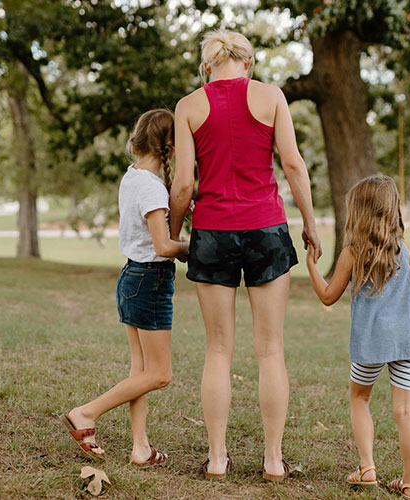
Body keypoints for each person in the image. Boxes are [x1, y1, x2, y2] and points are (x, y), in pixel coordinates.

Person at [169, 29, 322, 482]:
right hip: (266, 230)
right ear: (248, 64)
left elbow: (182, 185)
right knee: (270, 350)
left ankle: (217, 459)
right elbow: (293, 164)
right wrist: (310, 223)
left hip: (213, 232)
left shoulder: (188, 106)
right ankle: (273, 460)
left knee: (218, 350)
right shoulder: (271, 96)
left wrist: (174, 234)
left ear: (206, 67)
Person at [60, 109, 189, 466]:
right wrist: (196, 249)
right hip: (150, 279)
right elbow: (164, 247)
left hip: (132, 277)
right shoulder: (151, 187)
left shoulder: (133, 176)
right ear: (170, 145)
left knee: (141, 372)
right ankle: (85, 413)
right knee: (160, 375)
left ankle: (141, 448)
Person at [305, 175, 410, 499]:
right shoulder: (404, 251)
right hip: (404, 342)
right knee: (405, 412)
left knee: (359, 398)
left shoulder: (352, 252)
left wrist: (311, 267)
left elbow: (329, 296)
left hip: (368, 344)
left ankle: (367, 467)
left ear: (357, 212)